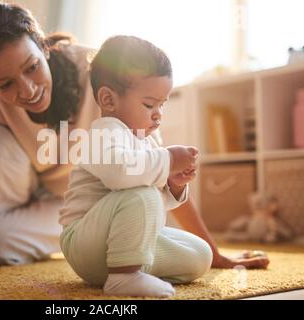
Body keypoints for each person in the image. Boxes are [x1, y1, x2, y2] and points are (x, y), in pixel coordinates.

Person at [0, 2, 269, 283]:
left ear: (44, 47)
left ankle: (4, 241)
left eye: (32, 67)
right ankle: (1, 237)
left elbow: (158, 165)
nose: (28, 90)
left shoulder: (103, 75)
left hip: (84, 205)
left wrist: (215, 253)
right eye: (5, 85)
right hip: (20, 194)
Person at [59, 35, 213, 297]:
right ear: (108, 100)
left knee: (200, 254)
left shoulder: (149, 138)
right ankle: (124, 278)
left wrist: (173, 185)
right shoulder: (102, 134)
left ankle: (135, 269)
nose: (158, 114)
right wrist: (169, 160)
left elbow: (149, 210)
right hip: (85, 245)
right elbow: (122, 176)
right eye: (149, 104)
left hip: (118, 246)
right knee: (142, 192)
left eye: (162, 104)